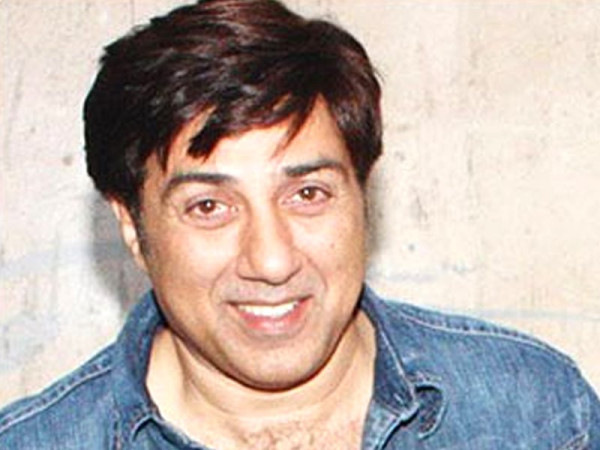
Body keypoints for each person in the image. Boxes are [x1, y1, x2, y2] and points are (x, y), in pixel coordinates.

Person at [1, 0, 599, 448]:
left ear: (362, 197)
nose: (272, 260)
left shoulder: (534, 414)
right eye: (209, 207)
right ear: (133, 227)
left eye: (307, 194)